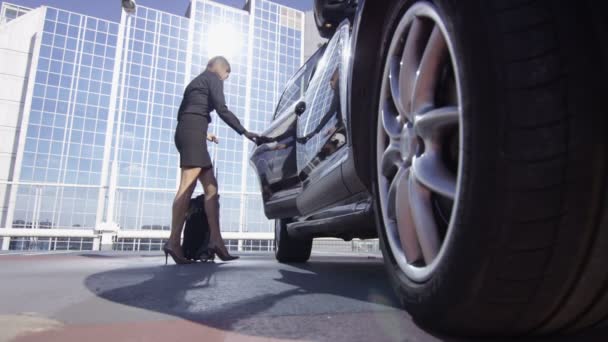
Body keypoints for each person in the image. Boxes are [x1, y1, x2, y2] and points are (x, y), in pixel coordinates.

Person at [164, 56, 260, 264]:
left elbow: (185, 113)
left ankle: (216, 241)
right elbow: (221, 108)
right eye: (226, 75)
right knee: (187, 186)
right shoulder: (213, 77)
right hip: (192, 132)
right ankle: (173, 241)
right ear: (221, 69)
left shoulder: (195, 83)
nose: (224, 80)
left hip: (190, 131)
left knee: (211, 190)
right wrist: (244, 131)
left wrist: (204, 134)